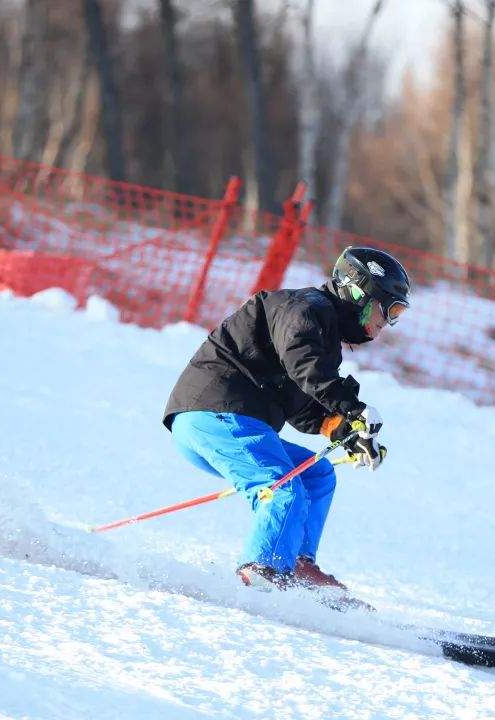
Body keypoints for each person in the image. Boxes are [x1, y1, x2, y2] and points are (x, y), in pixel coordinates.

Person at [163, 246, 411, 591]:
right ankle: (261, 571)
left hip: (236, 422)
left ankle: (296, 565)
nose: (388, 323)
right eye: (389, 310)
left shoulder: (321, 330)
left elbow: (303, 398)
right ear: (360, 294)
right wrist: (352, 408)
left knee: (317, 475)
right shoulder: (305, 309)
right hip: (216, 414)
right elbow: (305, 365)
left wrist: (339, 427)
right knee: (283, 490)